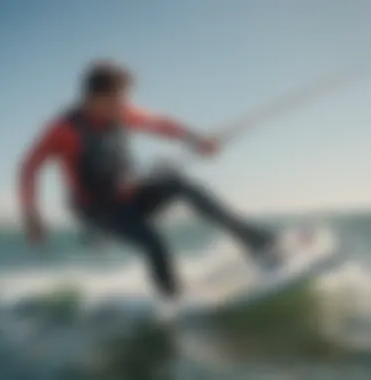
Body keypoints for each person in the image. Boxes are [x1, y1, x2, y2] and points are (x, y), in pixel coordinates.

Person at [19, 60, 276, 299]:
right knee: (155, 245)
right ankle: (174, 303)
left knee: (183, 185)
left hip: (131, 194)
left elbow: (160, 124)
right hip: (99, 210)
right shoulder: (62, 130)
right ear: (96, 98)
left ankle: (257, 242)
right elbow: (29, 168)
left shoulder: (120, 113)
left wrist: (196, 140)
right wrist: (32, 215)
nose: (125, 104)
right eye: (120, 98)